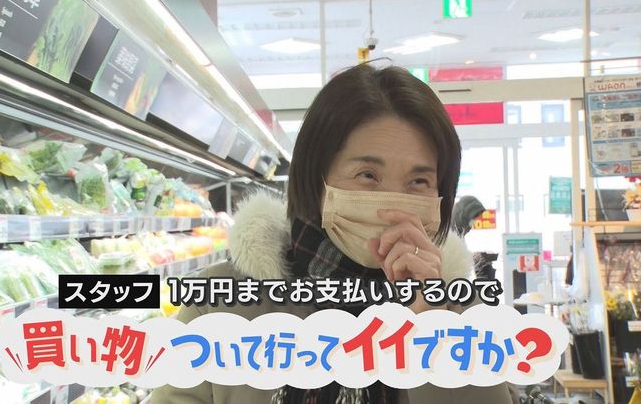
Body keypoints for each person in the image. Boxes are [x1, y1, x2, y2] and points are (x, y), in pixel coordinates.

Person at [150, 64, 514, 404]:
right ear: (316, 180)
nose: (393, 206)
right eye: (368, 176)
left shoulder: (461, 311)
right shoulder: (220, 304)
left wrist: (432, 330)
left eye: (418, 181)